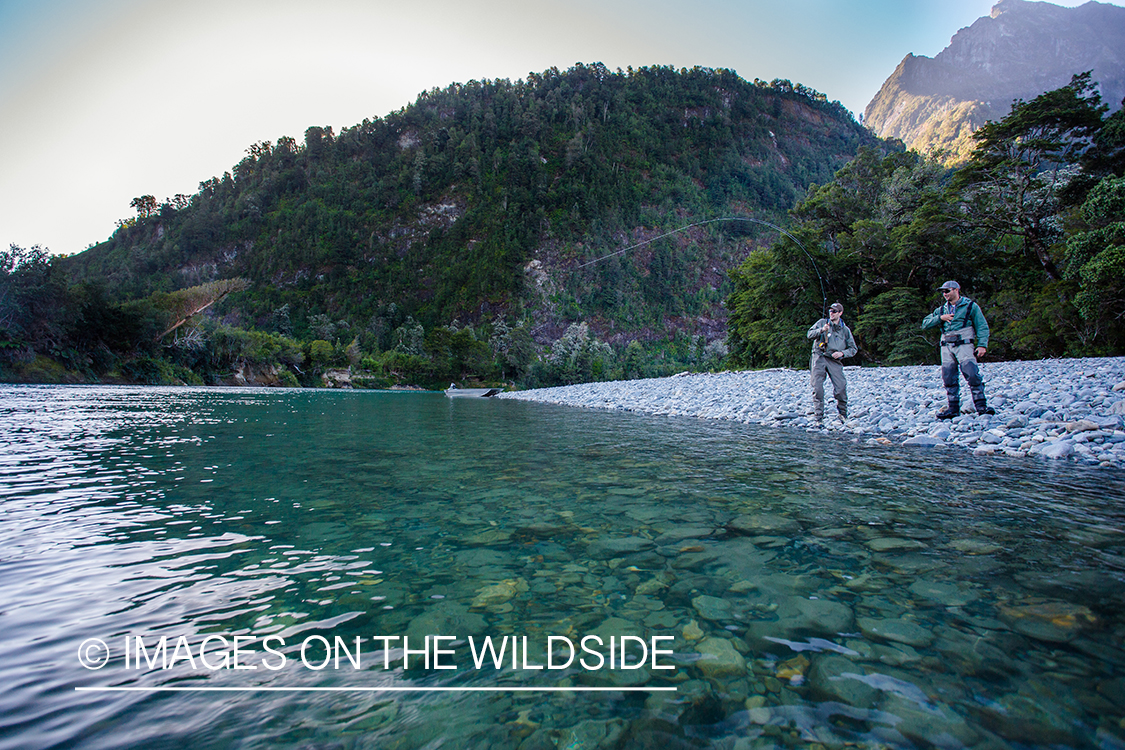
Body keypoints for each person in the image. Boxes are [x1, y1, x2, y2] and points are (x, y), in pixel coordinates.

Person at [922, 280, 994, 419]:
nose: (945, 294)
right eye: (943, 292)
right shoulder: (941, 310)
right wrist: (940, 318)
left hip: (964, 345)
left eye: (947, 291)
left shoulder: (971, 306)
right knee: (948, 377)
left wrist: (982, 344)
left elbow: (982, 326)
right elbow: (925, 324)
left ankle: (981, 407)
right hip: (946, 346)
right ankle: (953, 408)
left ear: (956, 290)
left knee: (972, 374)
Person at [807, 302, 857, 423]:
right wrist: (821, 330)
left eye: (834, 311)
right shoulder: (821, 323)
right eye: (830, 311)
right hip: (819, 357)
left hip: (834, 360)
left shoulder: (845, 330)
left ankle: (843, 414)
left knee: (841, 387)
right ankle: (819, 416)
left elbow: (853, 349)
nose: (831, 313)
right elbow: (809, 334)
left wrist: (842, 354)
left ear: (840, 313)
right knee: (817, 387)